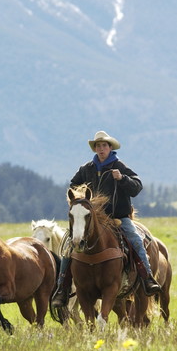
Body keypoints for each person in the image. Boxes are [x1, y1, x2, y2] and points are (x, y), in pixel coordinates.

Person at [51, 130, 161, 308]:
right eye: (98, 146)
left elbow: (137, 187)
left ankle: (147, 278)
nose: (101, 149)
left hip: (118, 217)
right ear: (95, 149)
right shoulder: (86, 169)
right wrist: (81, 197)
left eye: (104, 145)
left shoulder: (119, 166)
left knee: (135, 240)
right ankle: (62, 288)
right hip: (91, 220)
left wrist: (123, 178)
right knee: (68, 245)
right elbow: (73, 185)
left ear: (110, 148)